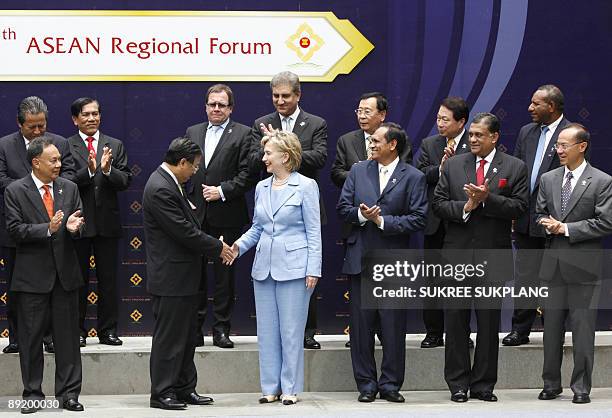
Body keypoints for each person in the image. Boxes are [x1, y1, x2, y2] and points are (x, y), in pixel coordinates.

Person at [432, 113, 528, 403]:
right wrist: (467, 206)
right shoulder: (454, 165)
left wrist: (488, 199)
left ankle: (484, 385)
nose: (472, 139)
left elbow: (520, 207)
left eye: (478, 135)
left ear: (494, 137)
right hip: (457, 255)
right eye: (471, 134)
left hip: (493, 256)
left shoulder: (514, 167)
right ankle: (458, 384)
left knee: (488, 324)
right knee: (456, 322)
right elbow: (438, 205)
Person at [337, 122, 427, 403]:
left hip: (393, 262)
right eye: (370, 141)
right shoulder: (357, 170)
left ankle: (390, 384)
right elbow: (343, 208)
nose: (371, 145)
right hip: (361, 257)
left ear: (392, 145)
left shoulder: (413, 176)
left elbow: (418, 218)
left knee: (392, 325)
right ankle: (366, 384)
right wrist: (363, 216)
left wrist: (382, 221)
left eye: (376, 141)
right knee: (362, 327)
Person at [143, 138, 234, 410]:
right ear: (181, 162)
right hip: (171, 279)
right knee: (169, 339)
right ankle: (162, 392)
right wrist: (218, 247)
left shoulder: (172, 183)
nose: (195, 171)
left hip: (184, 277)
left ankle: (184, 388)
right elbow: (183, 231)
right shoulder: (160, 187)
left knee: (186, 337)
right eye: (194, 166)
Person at [232, 130, 321, 405]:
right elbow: (258, 227)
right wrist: (236, 247)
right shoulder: (261, 187)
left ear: (285, 155)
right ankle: (270, 387)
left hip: (296, 267)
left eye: (269, 153)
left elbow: (313, 231)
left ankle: (290, 388)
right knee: (267, 331)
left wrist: (313, 268)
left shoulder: (306, 186)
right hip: (264, 267)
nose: (264, 158)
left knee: (292, 331)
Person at [4, 137, 85, 413]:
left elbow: (78, 223)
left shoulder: (70, 188)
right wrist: (47, 229)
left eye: (60, 159)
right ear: (35, 162)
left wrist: (75, 228)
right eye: (53, 160)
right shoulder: (15, 191)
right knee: (30, 341)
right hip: (31, 278)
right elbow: (15, 230)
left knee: (68, 340)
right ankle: (32, 395)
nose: (59, 164)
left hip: (65, 277)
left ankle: (69, 395)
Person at [249, 71, 327, 350]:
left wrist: (287, 149)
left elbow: (319, 158)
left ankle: (308, 331)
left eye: (285, 96)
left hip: (301, 208)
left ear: (298, 95)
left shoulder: (315, 123)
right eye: (275, 96)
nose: (280, 101)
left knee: (303, 278)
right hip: (271, 209)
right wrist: (267, 149)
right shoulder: (261, 123)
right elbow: (251, 161)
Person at [536, 123, 612, 404]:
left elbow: (605, 222)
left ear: (582, 147)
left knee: (583, 331)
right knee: (551, 331)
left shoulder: (602, 181)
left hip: (583, 267)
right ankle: (550, 384)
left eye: (564, 146)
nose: (559, 151)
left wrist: (565, 229)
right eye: (557, 146)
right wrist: (547, 224)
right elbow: (538, 213)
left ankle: (581, 388)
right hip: (552, 265)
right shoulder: (549, 178)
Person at [0, 96, 76, 355]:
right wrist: (32, 186)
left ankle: (50, 337)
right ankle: (17, 337)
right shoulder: (4, 146)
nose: (37, 132)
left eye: (41, 126)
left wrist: (47, 181)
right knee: (17, 286)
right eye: (31, 127)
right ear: (20, 124)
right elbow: (1, 179)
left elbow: (70, 175)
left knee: (55, 288)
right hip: (18, 227)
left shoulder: (60, 143)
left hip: (57, 230)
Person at [185, 84, 256, 348]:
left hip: (228, 214)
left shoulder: (244, 134)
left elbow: (248, 174)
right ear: (205, 106)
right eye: (212, 104)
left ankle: (221, 329)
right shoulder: (193, 132)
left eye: (221, 105)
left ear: (230, 108)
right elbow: (185, 169)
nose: (216, 108)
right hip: (196, 215)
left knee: (224, 277)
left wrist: (222, 191)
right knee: (196, 274)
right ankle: (195, 329)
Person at [504, 85, 572, 347]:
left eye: (536, 104)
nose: (530, 108)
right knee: (525, 277)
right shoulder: (526, 132)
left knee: (555, 279)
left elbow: (573, 181)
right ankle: (520, 330)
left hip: (555, 222)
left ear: (551, 107)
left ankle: (553, 332)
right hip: (525, 219)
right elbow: (517, 172)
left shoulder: (572, 133)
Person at [67, 97, 132, 347]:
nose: (92, 118)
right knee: (78, 281)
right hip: (79, 224)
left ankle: (108, 331)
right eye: (85, 114)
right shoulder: (66, 145)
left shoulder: (114, 144)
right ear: (75, 119)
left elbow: (125, 180)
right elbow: (67, 180)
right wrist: (90, 171)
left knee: (108, 281)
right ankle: (78, 331)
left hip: (107, 223)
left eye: (95, 114)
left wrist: (106, 171)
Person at [416, 96, 471, 349]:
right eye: (438, 118)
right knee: (433, 280)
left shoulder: (474, 142)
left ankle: (461, 333)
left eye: (445, 119)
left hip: (463, 223)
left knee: (462, 282)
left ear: (461, 122)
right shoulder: (430, 144)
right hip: (435, 224)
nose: (439, 123)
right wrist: (441, 168)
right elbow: (419, 175)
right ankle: (433, 332)